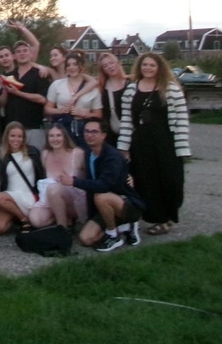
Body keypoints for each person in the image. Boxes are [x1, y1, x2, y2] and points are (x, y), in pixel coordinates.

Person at [118, 53, 191, 236]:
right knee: (146, 180)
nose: (148, 68)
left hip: (165, 142)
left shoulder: (171, 89)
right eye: (144, 65)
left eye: (152, 65)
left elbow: (182, 120)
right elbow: (127, 120)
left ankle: (170, 217)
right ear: (139, 67)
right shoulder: (131, 90)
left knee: (170, 179)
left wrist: (182, 148)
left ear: (159, 67)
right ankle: (157, 218)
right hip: (141, 143)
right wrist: (123, 146)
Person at [59, 118, 144, 252]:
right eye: (87, 131)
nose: (89, 135)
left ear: (103, 135)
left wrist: (74, 181)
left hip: (126, 203)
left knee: (101, 196)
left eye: (94, 132)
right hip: (104, 206)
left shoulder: (112, 156)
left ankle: (113, 234)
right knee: (86, 239)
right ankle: (124, 227)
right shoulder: (88, 154)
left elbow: (103, 186)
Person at [0, 122, 47, 236]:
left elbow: (41, 173)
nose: (16, 139)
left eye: (19, 136)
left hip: (28, 196)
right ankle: (21, 218)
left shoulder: (33, 152)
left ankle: (23, 220)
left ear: (24, 138)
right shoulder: (0, 156)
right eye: (13, 136)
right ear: (7, 137)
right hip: (10, 198)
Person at [27, 124, 87, 229]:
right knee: (36, 220)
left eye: (58, 135)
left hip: (75, 199)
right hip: (52, 199)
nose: (55, 139)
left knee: (54, 189)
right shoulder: (45, 154)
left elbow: (87, 178)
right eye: (51, 136)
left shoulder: (77, 153)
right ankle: (61, 217)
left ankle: (62, 228)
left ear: (64, 137)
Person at [0, 41, 50, 148]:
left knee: (35, 160)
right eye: (18, 52)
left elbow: (42, 99)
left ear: (30, 54)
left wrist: (18, 93)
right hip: (12, 128)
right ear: (14, 56)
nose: (22, 54)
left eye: (25, 51)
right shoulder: (9, 76)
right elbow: (2, 103)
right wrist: (4, 90)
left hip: (33, 126)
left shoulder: (39, 74)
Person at [45, 52, 102, 146]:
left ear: (81, 66)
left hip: (84, 129)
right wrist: (61, 110)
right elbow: (47, 109)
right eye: (68, 65)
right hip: (63, 128)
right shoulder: (57, 85)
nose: (72, 68)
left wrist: (82, 114)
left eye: (75, 64)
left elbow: (98, 115)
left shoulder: (92, 90)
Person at [98, 52, 130, 146]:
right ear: (103, 70)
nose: (109, 67)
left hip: (132, 131)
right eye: (105, 65)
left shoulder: (131, 83)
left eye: (111, 63)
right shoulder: (102, 88)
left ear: (117, 63)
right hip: (113, 133)